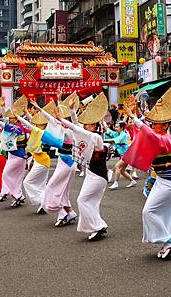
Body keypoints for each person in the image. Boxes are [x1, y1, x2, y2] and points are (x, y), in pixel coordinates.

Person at [122, 87, 171, 259]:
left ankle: (168, 240)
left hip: (170, 183)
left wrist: (135, 117)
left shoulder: (167, 139)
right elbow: (141, 134)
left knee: (148, 211)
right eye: (152, 123)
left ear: (165, 125)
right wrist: (133, 114)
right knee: (164, 213)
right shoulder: (158, 136)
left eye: (156, 123)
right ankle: (167, 241)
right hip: (163, 181)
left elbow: (148, 133)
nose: (153, 125)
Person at [60, 94, 110, 241]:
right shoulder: (86, 134)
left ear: (94, 125)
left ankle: (97, 226)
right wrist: (71, 110)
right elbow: (76, 126)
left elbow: (79, 129)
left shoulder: (97, 137)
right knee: (91, 202)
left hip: (99, 175)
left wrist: (63, 119)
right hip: (91, 173)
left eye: (89, 123)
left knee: (82, 200)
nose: (85, 125)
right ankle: (98, 225)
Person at [34, 98, 78, 227]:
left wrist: (71, 109)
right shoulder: (60, 126)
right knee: (62, 190)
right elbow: (49, 117)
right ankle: (69, 213)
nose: (57, 117)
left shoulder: (72, 129)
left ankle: (62, 213)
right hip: (62, 161)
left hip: (68, 162)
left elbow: (73, 120)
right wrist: (37, 106)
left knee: (52, 187)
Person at [18, 103, 54, 214]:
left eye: (39, 124)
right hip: (41, 160)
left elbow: (30, 124)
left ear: (43, 125)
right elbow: (32, 122)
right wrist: (26, 112)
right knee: (41, 184)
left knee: (27, 182)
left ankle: (43, 202)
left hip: (42, 161)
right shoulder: (40, 131)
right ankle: (43, 205)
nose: (36, 124)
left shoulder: (42, 132)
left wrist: (19, 116)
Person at [106, 121, 136, 190]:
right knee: (122, 170)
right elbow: (108, 131)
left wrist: (104, 140)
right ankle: (132, 181)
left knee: (117, 166)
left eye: (117, 127)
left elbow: (115, 140)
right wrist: (102, 122)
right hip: (125, 155)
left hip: (128, 154)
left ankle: (116, 183)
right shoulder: (117, 134)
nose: (115, 128)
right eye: (115, 127)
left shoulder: (123, 135)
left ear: (122, 128)